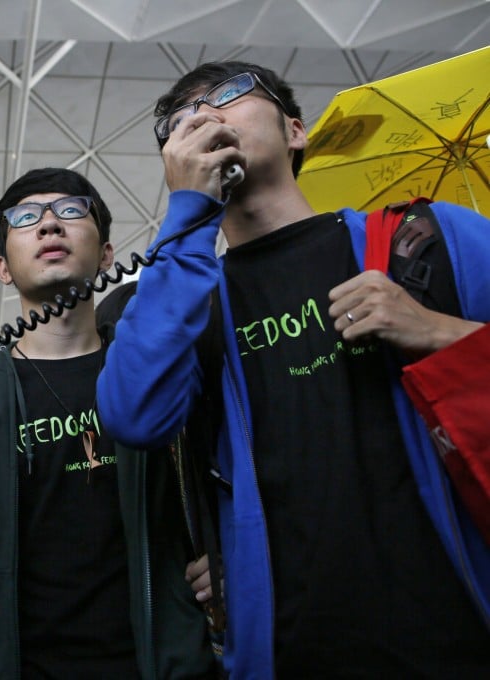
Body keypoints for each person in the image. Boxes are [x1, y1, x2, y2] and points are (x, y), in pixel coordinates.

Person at [97, 61, 490, 677]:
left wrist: (443, 333)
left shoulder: (426, 240)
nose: (204, 116)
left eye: (228, 96)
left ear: (297, 131)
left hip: (457, 631)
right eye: (179, 120)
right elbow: (133, 414)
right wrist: (187, 218)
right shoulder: (191, 304)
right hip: (291, 646)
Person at [0, 167, 214, 678]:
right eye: (26, 217)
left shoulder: (158, 373)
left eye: (71, 211)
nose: (50, 225)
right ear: (3, 268)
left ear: (110, 255)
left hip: (162, 663)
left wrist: (225, 553)